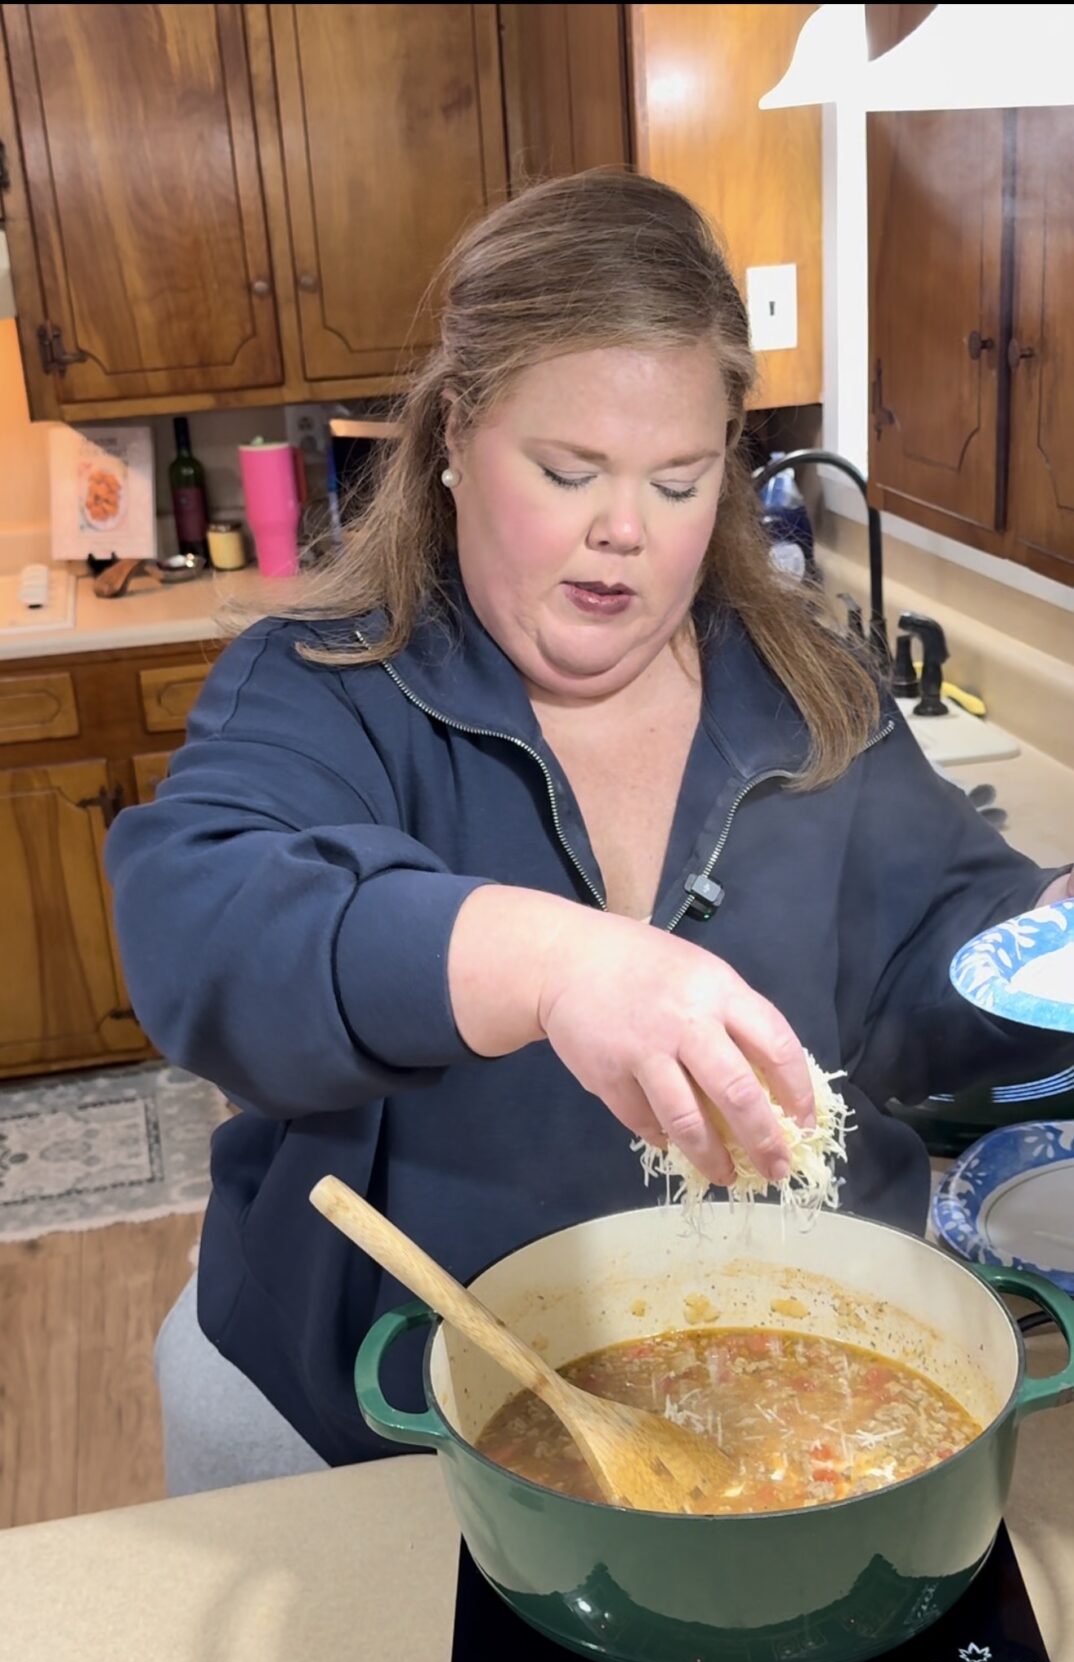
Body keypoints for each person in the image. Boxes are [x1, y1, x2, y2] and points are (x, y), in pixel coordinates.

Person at [106, 172, 1073, 1490]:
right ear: (455, 432)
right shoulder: (326, 686)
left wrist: (1049, 937)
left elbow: (933, 976)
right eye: (568, 472)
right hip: (375, 1419)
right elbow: (202, 934)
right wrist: (545, 961)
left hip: (772, 1391)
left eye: (678, 481)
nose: (625, 532)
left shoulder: (811, 696)